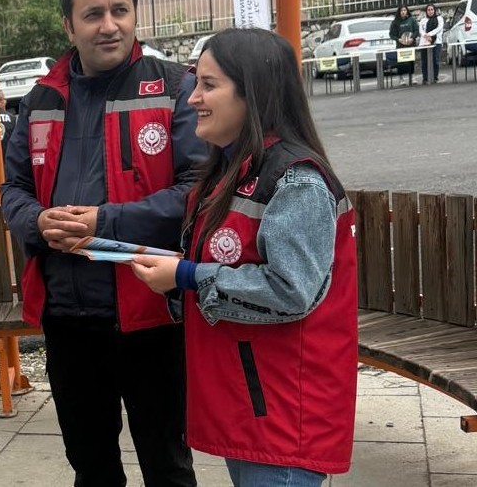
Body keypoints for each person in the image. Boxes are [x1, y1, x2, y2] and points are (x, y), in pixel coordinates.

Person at [1, 0, 205, 487]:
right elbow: (13, 190)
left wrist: (106, 222)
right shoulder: (39, 99)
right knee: (91, 468)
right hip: (68, 320)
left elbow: (197, 193)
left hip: (151, 316)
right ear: (68, 24)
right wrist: (37, 222)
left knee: (168, 466)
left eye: (121, 9)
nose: (109, 25)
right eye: (93, 14)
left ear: (136, 14)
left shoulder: (172, 88)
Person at [130, 28, 358, 487]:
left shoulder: (296, 182)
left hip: (283, 413)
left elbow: (290, 290)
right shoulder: (229, 171)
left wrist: (189, 274)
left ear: (253, 92)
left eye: (209, 85)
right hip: (251, 405)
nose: (193, 98)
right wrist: (174, 271)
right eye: (195, 83)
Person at [389, 4, 418, 83]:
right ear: (399, 12)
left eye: (404, 10)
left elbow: (416, 31)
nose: (403, 12)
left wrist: (413, 38)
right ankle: (401, 78)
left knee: (411, 61)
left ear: (407, 11)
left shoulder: (412, 20)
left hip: (410, 44)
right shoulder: (395, 22)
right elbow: (391, 34)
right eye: (401, 10)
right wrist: (398, 39)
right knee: (401, 62)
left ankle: (412, 76)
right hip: (400, 45)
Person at [419, 3, 444, 84]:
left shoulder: (439, 19)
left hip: (436, 42)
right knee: (424, 61)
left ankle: (435, 77)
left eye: (432, 9)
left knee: (435, 60)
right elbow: (421, 30)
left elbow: (439, 28)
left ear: (434, 10)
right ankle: (425, 78)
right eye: (428, 10)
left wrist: (429, 34)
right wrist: (425, 35)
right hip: (425, 42)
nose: (430, 11)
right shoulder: (423, 20)